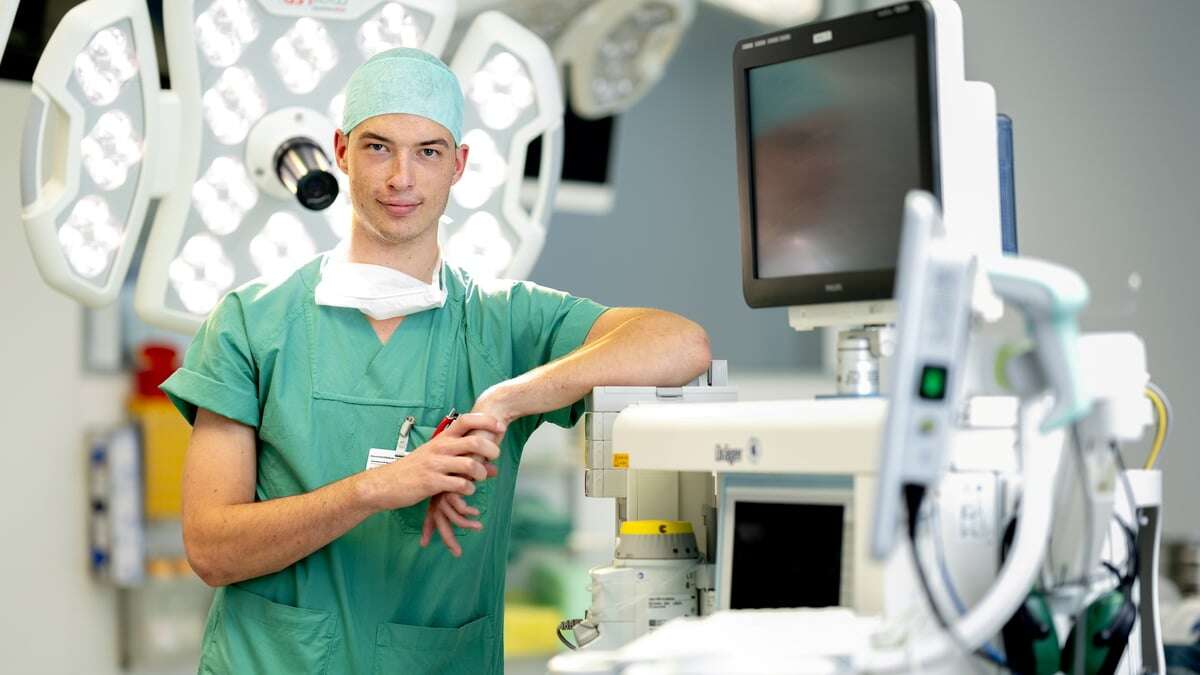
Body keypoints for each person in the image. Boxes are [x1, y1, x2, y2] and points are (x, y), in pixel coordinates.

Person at [161, 48, 711, 674]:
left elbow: (680, 344)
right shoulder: (250, 323)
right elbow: (211, 550)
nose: (402, 178)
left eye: (428, 151)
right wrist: (376, 489)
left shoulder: (507, 323)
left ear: (459, 165)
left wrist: (505, 400)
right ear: (340, 151)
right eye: (377, 147)